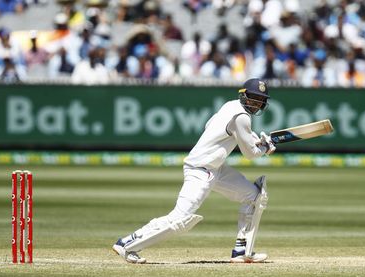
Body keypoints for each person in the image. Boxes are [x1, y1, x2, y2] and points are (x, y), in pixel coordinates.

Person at [113, 78, 276, 264]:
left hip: (216, 168)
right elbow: (250, 154)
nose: (255, 103)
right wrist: (266, 148)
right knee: (180, 219)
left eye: (259, 100)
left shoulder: (230, 106)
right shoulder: (242, 117)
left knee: (254, 196)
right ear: (244, 95)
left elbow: (212, 126)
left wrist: (257, 141)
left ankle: (242, 250)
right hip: (200, 170)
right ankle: (126, 244)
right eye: (253, 98)